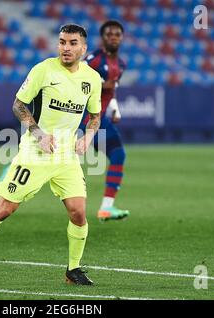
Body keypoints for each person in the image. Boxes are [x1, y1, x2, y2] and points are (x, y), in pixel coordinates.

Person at [0, 24, 102, 285]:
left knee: (78, 212)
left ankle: (73, 270)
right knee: (5, 209)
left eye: (72, 43)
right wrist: (39, 133)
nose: (66, 47)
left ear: (83, 48)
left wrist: (88, 136)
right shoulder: (43, 70)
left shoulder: (92, 79)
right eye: (62, 42)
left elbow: (95, 116)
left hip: (66, 156)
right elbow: (18, 105)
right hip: (36, 151)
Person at [80, 20, 130, 221]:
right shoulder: (92, 59)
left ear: (122, 38)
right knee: (56, 157)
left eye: (117, 34)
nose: (113, 37)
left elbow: (112, 91)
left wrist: (115, 109)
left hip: (100, 118)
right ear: (103, 38)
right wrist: (101, 83)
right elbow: (77, 77)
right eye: (109, 34)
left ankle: (106, 208)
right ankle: (15, 167)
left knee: (118, 155)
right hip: (82, 115)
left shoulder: (121, 64)